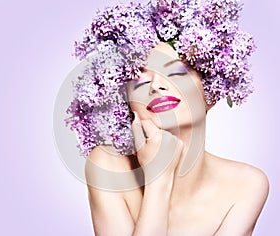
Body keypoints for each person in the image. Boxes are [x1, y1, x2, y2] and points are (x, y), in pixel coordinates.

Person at [66, 1, 269, 235]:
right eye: (140, 76)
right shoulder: (107, 166)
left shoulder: (245, 185)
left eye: (177, 72)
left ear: (212, 91)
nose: (156, 85)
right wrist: (158, 180)